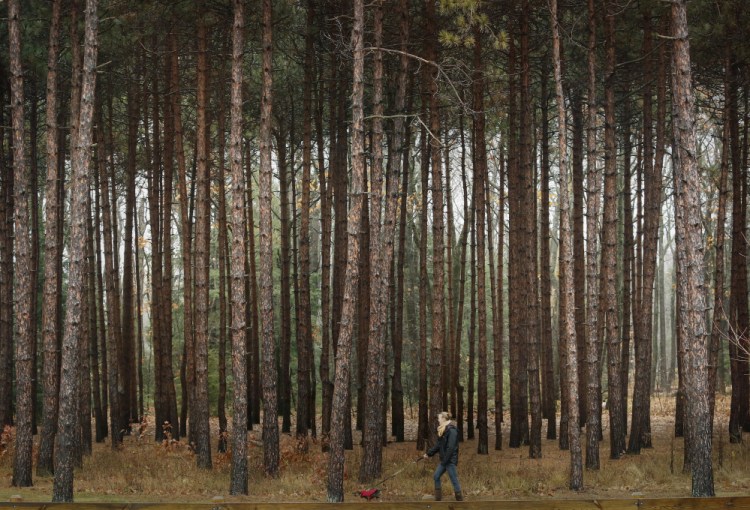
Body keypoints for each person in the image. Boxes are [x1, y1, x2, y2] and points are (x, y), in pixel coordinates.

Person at [423, 411, 463, 501]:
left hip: (449, 460)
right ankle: (438, 498)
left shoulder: (452, 431)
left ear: (444, 419)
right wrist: (428, 454)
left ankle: (460, 501)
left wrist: (445, 460)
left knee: (454, 479)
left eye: (439, 418)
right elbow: (438, 446)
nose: (438, 420)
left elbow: (451, 447)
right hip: (444, 460)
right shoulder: (443, 430)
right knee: (436, 476)